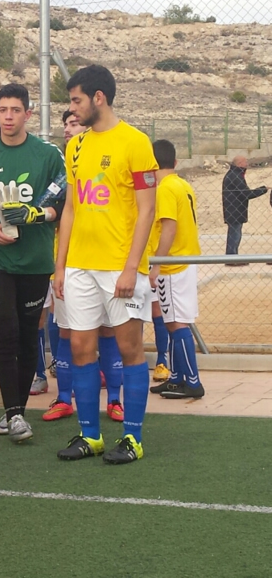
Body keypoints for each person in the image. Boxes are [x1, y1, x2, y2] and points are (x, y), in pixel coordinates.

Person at [54, 65, 157, 465]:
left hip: (119, 266)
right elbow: (70, 208)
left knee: (130, 348)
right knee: (80, 347)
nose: (72, 108)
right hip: (79, 265)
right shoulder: (75, 145)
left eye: (76, 100)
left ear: (99, 98)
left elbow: (147, 210)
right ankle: (90, 436)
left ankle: (133, 438)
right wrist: (61, 266)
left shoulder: (136, 142)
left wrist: (132, 267)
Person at [0, 83, 65, 443]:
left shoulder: (47, 155)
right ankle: (14, 414)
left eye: (15, 110)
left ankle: (15, 411)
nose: (8, 117)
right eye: (2, 110)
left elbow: (61, 204)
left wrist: (36, 214)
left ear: (28, 114)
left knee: (27, 334)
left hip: (35, 259)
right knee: (5, 330)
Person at [148, 140, 205, 399]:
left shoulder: (165, 189)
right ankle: (177, 378)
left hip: (173, 265)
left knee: (175, 322)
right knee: (173, 321)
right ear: (175, 162)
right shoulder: (182, 184)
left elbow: (169, 227)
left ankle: (192, 382)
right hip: (185, 260)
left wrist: (157, 264)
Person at [43, 110, 87, 422]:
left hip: (105, 260)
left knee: (109, 333)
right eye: (66, 125)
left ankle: (114, 398)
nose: (68, 130)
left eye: (74, 123)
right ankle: (63, 397)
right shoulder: (63, 167)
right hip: (67, 262)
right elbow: (54, 208)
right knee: (64, 328)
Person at [222, 155, 267, 263]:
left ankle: (232, 257)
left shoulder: (235, 174)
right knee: (235, 234)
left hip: (234, 210)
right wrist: (263, 189)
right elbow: (246, 194)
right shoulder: (235, 176)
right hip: (234, 211)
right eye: (245, 162)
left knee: (235, 233)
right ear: (239, 164)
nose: (247, 164)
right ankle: (232, 258)